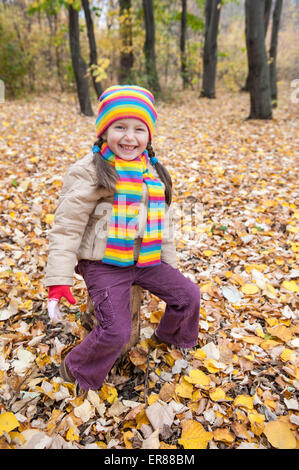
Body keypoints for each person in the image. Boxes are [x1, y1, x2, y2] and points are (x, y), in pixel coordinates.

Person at [45, 85, 200, 392]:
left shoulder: (150, 170)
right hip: (103, 263)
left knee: (188, 296)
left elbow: (162, 223)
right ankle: (76, 369)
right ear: (104, 131)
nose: (130, 137)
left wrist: (169, 266)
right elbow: (66, 228)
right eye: (120, 127)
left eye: (138, 129)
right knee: (116, 332)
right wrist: (58, 278)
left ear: (149, 135)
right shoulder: (89, 172)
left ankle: (169, 338)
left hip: (144, 258)